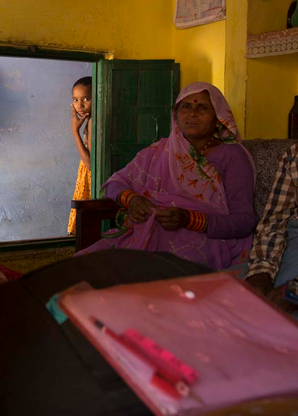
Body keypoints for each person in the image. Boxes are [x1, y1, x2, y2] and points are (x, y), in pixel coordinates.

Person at [74, 82, 256, 270]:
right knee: (81, 268)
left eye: (203, 107)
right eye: (186, 106)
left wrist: (189, 219)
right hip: (146, 233)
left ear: (217, 117)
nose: (192, 113)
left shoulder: (232, 155)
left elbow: (244, 221)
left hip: (202, 240)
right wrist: (133, 200)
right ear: (175, 115)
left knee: (147, 277)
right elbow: (113, 185)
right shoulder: (159, 151)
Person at [244, 144, 298, 314]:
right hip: (293, 237)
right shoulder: (294, 154)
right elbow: (275, 220)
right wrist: (261, 271)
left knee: (276, 316)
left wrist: (294, 290)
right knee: (232, 298)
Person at [67, 76, 92, 235]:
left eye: (86, 99)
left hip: (90, 176)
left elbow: (90, 165)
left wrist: (75, 132)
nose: (80, 105)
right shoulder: (89, 119)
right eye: (75, 100)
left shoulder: (92, 122)